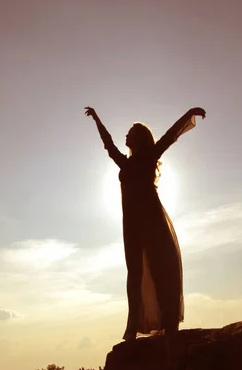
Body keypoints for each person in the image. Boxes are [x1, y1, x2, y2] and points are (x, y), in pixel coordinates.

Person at [85, 106, 206, 341]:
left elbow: (171, 135)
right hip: (131, 223)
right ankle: (132, 326)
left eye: (130, 133)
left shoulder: (150, 155)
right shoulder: (125, 163)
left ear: (139, 138)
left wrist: (189, 114)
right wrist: (98, 120)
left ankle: (168, 323)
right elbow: (108, 145)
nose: (126, 136)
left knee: (161, 269)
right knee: (134, 274)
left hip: (151, 219)